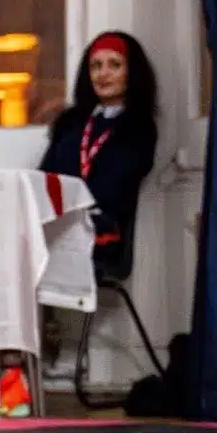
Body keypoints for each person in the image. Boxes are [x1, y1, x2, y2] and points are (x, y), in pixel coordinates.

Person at [39, 30, 159, 269]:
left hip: (100, 230)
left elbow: (116, 188)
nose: (103, 74)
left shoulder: (139, 127)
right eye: (95, 66)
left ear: (131, 72)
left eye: (114, 65)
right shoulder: (70, 123)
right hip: (59, 223)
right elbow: (45, 175)